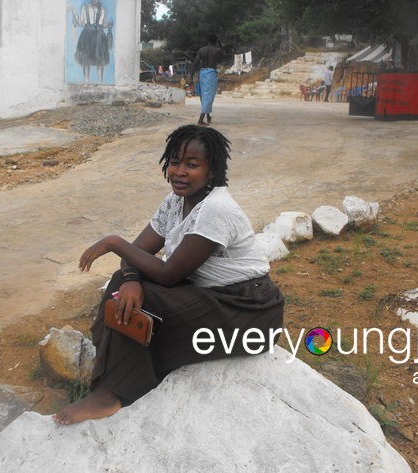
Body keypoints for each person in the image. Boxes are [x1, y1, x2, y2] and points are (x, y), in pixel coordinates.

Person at [53, 125, 285, 425]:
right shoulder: (176, 201)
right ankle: (124, 377)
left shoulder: (216, 209)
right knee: (119, 287)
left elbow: (167, 275)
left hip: (248, 310)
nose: (180, 171)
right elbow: (139, 252)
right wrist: (130, 278)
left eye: (192, 165)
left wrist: (114, 242)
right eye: (174, 162)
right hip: (213, 296)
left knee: (145, 298)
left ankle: (112, 393)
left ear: (212, 172)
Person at [70, 0, 113, 83]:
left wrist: (108, 25)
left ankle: (100, 81)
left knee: (100, 59)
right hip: (87, 35)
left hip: (99, 36)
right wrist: (73, 11)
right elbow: (81, 22)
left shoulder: (103, 9)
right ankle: (86, 80)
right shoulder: (85, 8)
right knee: (86, 58)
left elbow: (102, 24)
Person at [190, 34, 223, 126]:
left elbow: (194, 64)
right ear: (216, 41)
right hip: (211, 74)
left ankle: (208, 116)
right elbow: (221, 57)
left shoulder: (202, 50)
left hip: (202, 73)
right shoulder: (218, 50)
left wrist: (191, 77)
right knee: (208, 96)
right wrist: (220, 44)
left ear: (208, 40)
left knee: (204, 95)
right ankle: (200, 120)